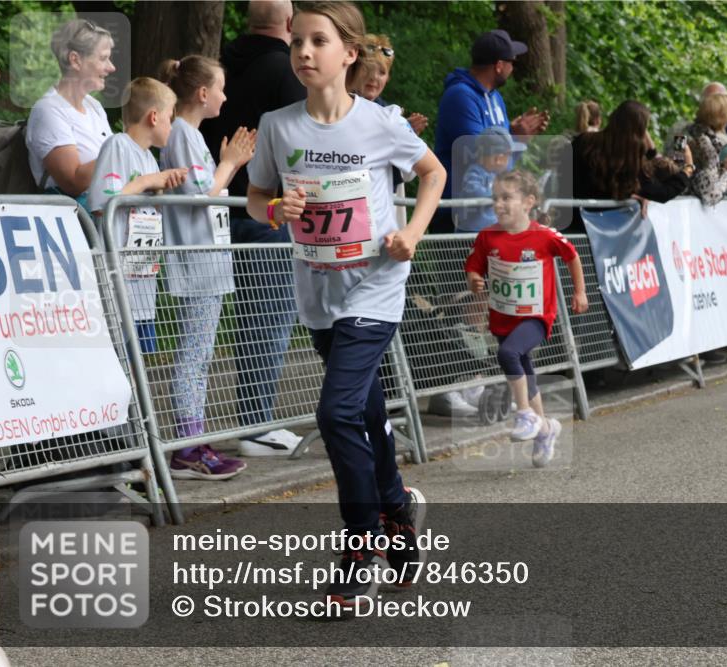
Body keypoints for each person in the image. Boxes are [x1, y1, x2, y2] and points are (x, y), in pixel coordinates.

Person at [244, 1, 446, 607]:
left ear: (349, 53)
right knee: (365, 412)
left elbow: (433, 174)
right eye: (296, 42)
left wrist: (411, 233)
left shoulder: (381, 123)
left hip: (376, 287)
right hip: (320, 293)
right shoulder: (278, 125)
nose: (303, 52)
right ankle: (398, 514)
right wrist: (277, 210)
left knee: (335, 414)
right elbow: (255, 199)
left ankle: (361, 548)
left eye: (318, 42)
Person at [86, 79, 249, 481]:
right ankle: (119, 454)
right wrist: (147, 185)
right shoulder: (119, 147)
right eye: (170, 117)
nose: (172, 125)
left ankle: (133, 454)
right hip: (119, 282)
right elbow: (103, 203)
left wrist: (158, 183)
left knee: (134, 369)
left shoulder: (146, 157)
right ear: (154, 116)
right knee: (121, 369)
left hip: (143, 284)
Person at [199, 0, 307, 455]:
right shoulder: (286, 72)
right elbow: (300, 147)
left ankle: (211, 427)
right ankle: (256, 424)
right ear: (288, 24)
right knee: (268, 322)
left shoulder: (223, 67)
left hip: (216, 212)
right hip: (268, 212)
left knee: (217, 327)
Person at [157, 56, 259, 472]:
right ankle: (188, 444)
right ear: (202, 93)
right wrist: (230, 164)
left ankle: (194, 441)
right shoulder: (182, 134)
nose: (225, 95)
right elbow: (202, 195)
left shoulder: (189, 135)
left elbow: (206, 189)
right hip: (196, 258)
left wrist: (226, 165)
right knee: (194, 356)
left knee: (200, 356)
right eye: (219, 88)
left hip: (207, 259)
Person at [465, 170, 588, 467]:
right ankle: (546, 429)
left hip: (536, 317)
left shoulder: (544, 235)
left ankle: (524, 414)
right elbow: (473, 268)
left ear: (528, 202)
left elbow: (572, 255)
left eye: (507, 197)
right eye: (495, 198)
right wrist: (474, 281)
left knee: (509, 354)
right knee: (524, 368)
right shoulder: (487, 237)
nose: (499, 204)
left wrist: (579, 292)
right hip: (502, 317)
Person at [433, 29, 549, 232]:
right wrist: (517, 140)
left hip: (489, 212)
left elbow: (499, 159)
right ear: (499, 66)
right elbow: (481, 157)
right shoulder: (461, 96)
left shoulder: (495, 98)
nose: (513, 68)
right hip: (460, 213)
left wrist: (516, 137)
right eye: (511, 62)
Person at [26, 18, 116, 208]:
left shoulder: (95, 107)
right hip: (75, 226)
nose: (111, 67)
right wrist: (123, 146)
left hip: (105, 219)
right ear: (75, 60)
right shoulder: (49, 110)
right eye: (103, 58)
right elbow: (73, 182)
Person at [566, 100, 694, 231]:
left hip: (571, 223)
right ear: (640, 132)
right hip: (602, 232)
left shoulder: (584, 141)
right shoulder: (629, 162)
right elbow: (662, 192)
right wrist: (688, 167)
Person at [351, 33, 427, 135]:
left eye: (381, 72)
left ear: (388, 77)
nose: (374, 77)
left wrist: (404, 132)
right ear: (353, 70)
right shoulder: (336, 106)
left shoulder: (390, 114)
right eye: (367, 69)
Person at [455, 126, 525, 232]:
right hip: (471, 233)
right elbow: (473, 191)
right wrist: (497, 195)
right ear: (498, 159)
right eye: (509, 155)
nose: (510, 160)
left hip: (490, 232)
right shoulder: (475, 173)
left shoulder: (498, 176)